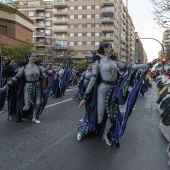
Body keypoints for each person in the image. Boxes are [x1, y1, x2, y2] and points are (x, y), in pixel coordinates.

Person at [78, 42, 152, 146]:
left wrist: (147, 65)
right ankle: (85, 128)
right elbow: (93, 80)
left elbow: (130, 66)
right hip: (102, 92)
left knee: (112, 114)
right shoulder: (98, 63)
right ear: (105, 49)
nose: (113, 49)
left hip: (113, 91)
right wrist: (85, 96)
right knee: (99, 117)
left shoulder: (114, 62)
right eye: (110, 47)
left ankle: (105, 134)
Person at [0, 52, 52, 124]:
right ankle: (16, 113)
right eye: (33, 56)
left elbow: (48, 71)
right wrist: (6, 86)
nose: (35, 57)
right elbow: (16, 77)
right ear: (28, 58)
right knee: (27, 106)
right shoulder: (24, 68)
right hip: (28, 87)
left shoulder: (38, 67)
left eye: (35, 56)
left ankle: (34, 117)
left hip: (37, 86)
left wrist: (56, 70)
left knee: (38, 102)